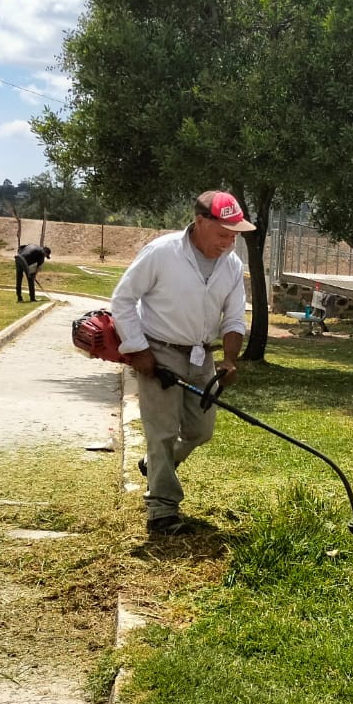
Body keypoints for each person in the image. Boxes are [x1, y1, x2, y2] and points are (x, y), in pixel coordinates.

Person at [111, 190, 253, 537]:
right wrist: (138, 350)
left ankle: (157, 465)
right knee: (161, 433)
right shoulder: (162, 253)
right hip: (158, 351)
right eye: (223, 233)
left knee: (201, 430)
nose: (229, 241)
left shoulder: (231, 265)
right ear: (200, 222)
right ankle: (162, 510)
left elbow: (234, 318)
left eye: (234, 235)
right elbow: (123, 299)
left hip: (200, 354)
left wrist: (230, 359)